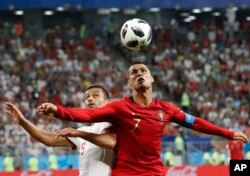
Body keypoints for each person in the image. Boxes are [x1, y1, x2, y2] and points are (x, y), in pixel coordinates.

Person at [37, 62, 248, 176]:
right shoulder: (119, 107)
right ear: (129, 82)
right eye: (134, 72)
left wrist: (228, 133)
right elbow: (87, 114)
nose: (139, 74)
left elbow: (196, 123)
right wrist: (57, 110)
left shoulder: (166, 109)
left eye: (143, 71)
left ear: (152, 78)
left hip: (154, 172)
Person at [5, 85, 116, 176]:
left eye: (95, 95)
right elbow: (50, 140)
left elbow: (110, 142)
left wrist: (78, 133)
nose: (90, 99)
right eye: (87, 97)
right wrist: (22, 121)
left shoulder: (113, 122)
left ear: (108, 102)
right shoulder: (85, 130)